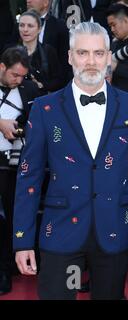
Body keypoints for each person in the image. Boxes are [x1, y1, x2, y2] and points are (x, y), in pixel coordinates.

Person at [13, 22, 128, 300]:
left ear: (109, 57)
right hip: (61, 230)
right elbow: (29, 176)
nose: (91, 61)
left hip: (114, 228)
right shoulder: (45, 109)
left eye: (98, 53)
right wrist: (22, 239)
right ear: (70, 57)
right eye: (82, 53)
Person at [0, 46, 41, 296]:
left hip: (15, 164)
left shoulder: (29, 90)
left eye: (22, 76)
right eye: (15, 75)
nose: (19, 80)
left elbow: (36, 123)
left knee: (13, 217)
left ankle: (8, 266)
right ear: (2, 67)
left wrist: (19, 130)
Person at [17, 10, 64, 94]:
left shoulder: (48, 51)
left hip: (41, 99)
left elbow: (58, 80)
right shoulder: (10, 51)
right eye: (21, 25)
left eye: (30, 26)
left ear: (39, 29)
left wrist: (41, 85)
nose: (25, 29)